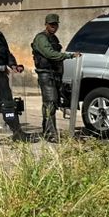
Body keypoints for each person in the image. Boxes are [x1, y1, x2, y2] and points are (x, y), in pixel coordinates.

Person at [31, 13, 81, 142]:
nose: (54, 27)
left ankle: (48, 131)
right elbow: (50, 54)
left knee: (52, 103)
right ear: (46, 24)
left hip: (54, 74)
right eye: (51, 24)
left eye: (55, 24)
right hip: (46, 74)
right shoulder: (41, 38)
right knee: (50, 103)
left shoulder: (53, 38)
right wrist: (69, 56)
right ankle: (50, 134)